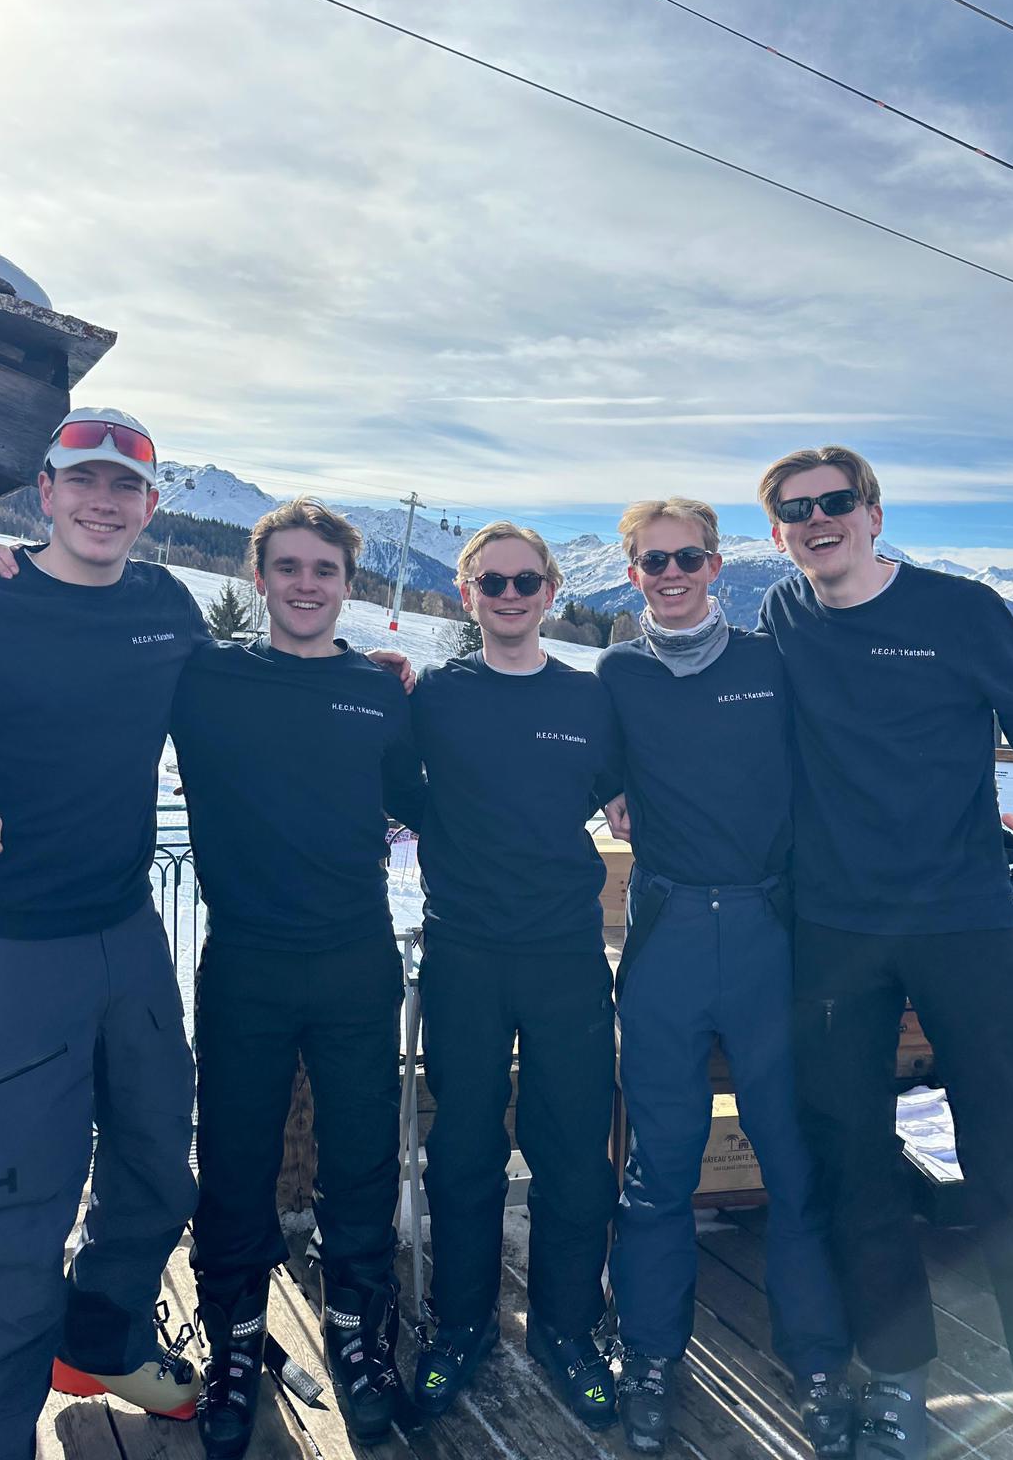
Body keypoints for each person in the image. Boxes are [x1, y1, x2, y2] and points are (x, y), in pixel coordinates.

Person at [757, 444, 1013, 1460]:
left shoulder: (961, 610)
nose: (817, 519)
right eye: (795, 510)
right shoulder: (781, 613)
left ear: (873, 513)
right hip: (833, 930)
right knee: (854, 1160)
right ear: (778, 531)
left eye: (835, 501)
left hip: (962, 920)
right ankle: (897, 1384)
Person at [0, 409, 205, 1460]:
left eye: (125, 487)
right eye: (83, 480)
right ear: (44, 491)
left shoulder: (166, 606)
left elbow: (239, 702)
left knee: (158, 1168)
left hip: (126, 936)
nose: (102, 502)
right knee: (12, 1220)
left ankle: (99, 1342)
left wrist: (362, 674)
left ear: (150, 507)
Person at [169, 498, 426, 1454]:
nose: (306, 584)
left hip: (356, 958)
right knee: (235, 1161)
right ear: (260, 577)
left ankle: (359, 1336)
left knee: (361, 1159)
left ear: (347, 584)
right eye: (288, 566)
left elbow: (428, 802)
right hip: (247, 962)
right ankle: (235, 1345)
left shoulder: (379, 691)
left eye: (325, 569)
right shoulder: (205, 676)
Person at [597, 497, 852, 1458]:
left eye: (687, 558)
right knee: (660, 1166)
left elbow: (849, 754)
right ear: (632, 573)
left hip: (765, 932)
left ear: (716, 566)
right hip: (666, 934)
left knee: (789, 1156)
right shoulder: (616, 672)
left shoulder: (768, 662)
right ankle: (651, 1353)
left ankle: (817, 1358)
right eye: (653, 561)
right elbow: (557, 750)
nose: (670, 574)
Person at [408, 522, 622, 1430]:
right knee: (463, 1146)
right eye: (490, 581)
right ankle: (460, 1324)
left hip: (565, 951)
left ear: (549, 592)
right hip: (464, 950)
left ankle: (567, 1329)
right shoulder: (435, 695)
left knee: (573, 1146)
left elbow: (618, 792)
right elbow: (396, 784)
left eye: (525, 581)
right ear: (467, 593)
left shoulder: (588, 697)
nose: (508, 594)